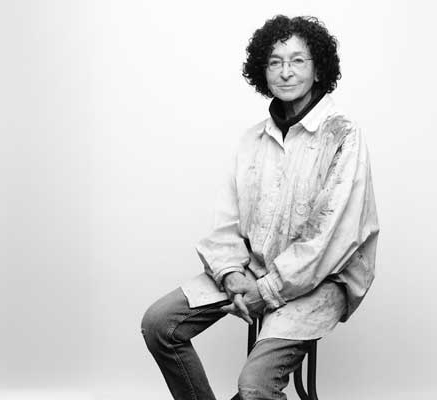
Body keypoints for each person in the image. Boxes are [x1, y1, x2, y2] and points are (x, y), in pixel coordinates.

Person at [141, 15, 380, 400]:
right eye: (275, 61)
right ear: (262, 70)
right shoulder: (252, 139)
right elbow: (226, 223)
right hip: (252, 271)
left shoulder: (344, 135)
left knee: (254, 386)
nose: (286, 72)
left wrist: (265, 291)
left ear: (318, 68)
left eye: (298, 60)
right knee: (159, 324)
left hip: (319, 282)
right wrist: (233, 275)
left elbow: (331, 239)